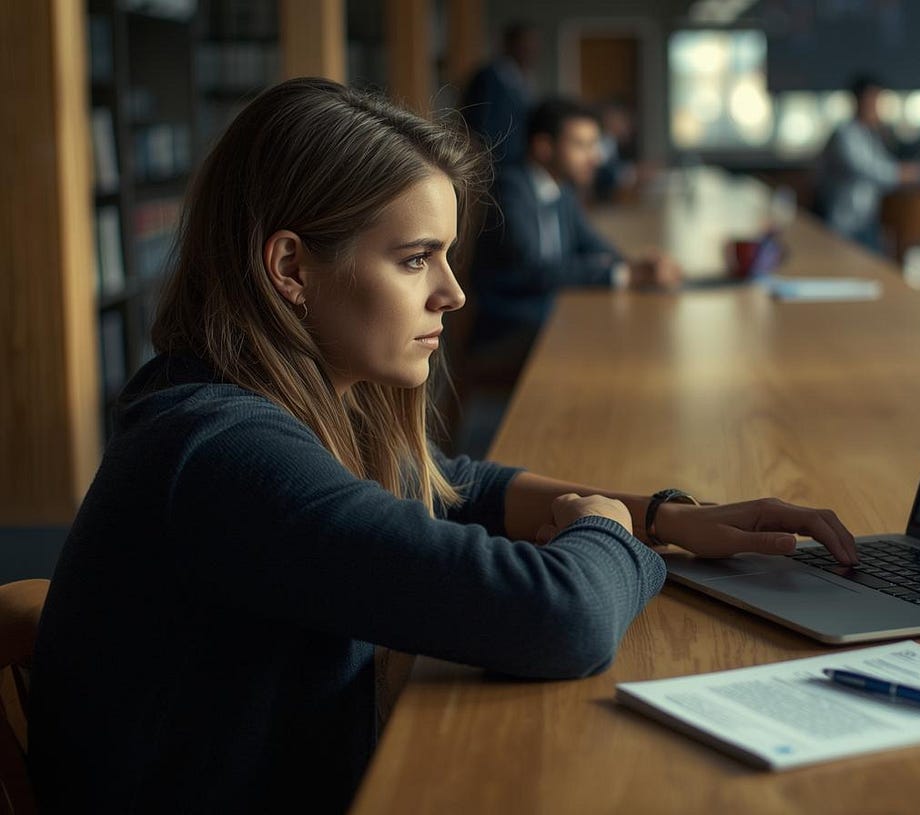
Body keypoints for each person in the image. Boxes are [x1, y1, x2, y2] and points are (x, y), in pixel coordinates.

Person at [28, 78, 856, 814]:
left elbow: (455, 483)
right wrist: (605, 529)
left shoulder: (269, 403)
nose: (453, 291)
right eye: (415, 257)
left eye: (447, 254)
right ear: (290, 267)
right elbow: (557, 618)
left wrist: (666, 516)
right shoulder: (220, 456)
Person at [472, 96, 680, 353]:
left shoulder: (562, 189)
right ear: (543, 147)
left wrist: (633, 265)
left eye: (594, 145)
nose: (594, 158)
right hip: (511, 317)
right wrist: (620, 275)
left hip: (549, 305)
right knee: (610, 334)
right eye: (581, 145)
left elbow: (591, 243)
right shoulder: (511, 190)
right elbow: (535, 269)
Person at [814, 74, 920, 249]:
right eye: (874, 101)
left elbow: (889, 167)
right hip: (843, 224)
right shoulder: (845, 135)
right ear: (859, 101)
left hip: (868, 223)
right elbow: (879, 172)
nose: (879, 108)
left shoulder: (871, 136)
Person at [461, 21, 539, 164]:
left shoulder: (524, 79)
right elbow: (474, 121)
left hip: (517, 159)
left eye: (533, 44)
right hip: (493, 159)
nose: (530, 50)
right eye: (524, 44)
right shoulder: (489, 76)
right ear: (509, 45)